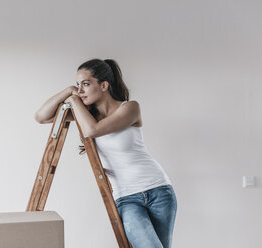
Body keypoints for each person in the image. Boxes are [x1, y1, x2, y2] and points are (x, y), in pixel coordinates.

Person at [34, 58, 177, 248]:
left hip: (159, 190)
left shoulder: (130, 108)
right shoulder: (86, 116)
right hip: (126, 198)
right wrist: (68, 91)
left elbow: (93, 130)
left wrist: (74, 100)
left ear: (104, 85)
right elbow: (41, 117)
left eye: (85, 84)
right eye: (78, 85)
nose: (80, 90)